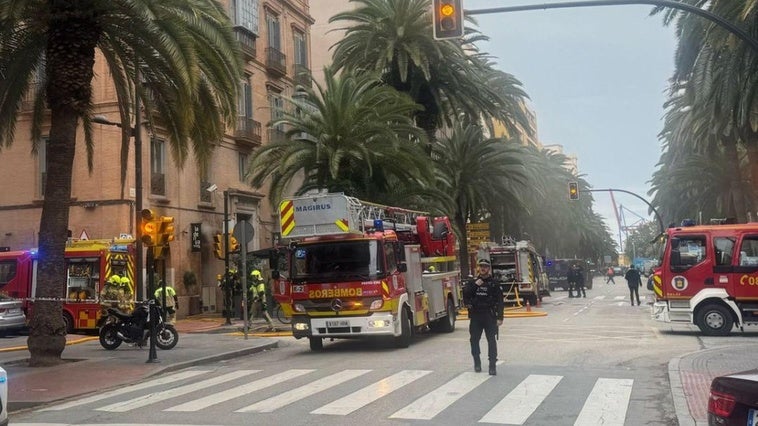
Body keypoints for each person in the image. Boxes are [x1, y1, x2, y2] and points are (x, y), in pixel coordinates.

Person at [462, 258, 504, 375]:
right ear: (478, 268)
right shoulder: (473, 282)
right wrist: (476, 284)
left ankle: (492, 365)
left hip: (489, 315)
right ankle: (477, 362)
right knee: (474, 340)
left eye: (485, 266)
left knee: (491, 340)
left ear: (489, 269)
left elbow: (500, 301)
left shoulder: (494, 283)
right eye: (481, 266)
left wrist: (500, 317)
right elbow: (466, 295)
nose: (483, 268)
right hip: (476, 315)